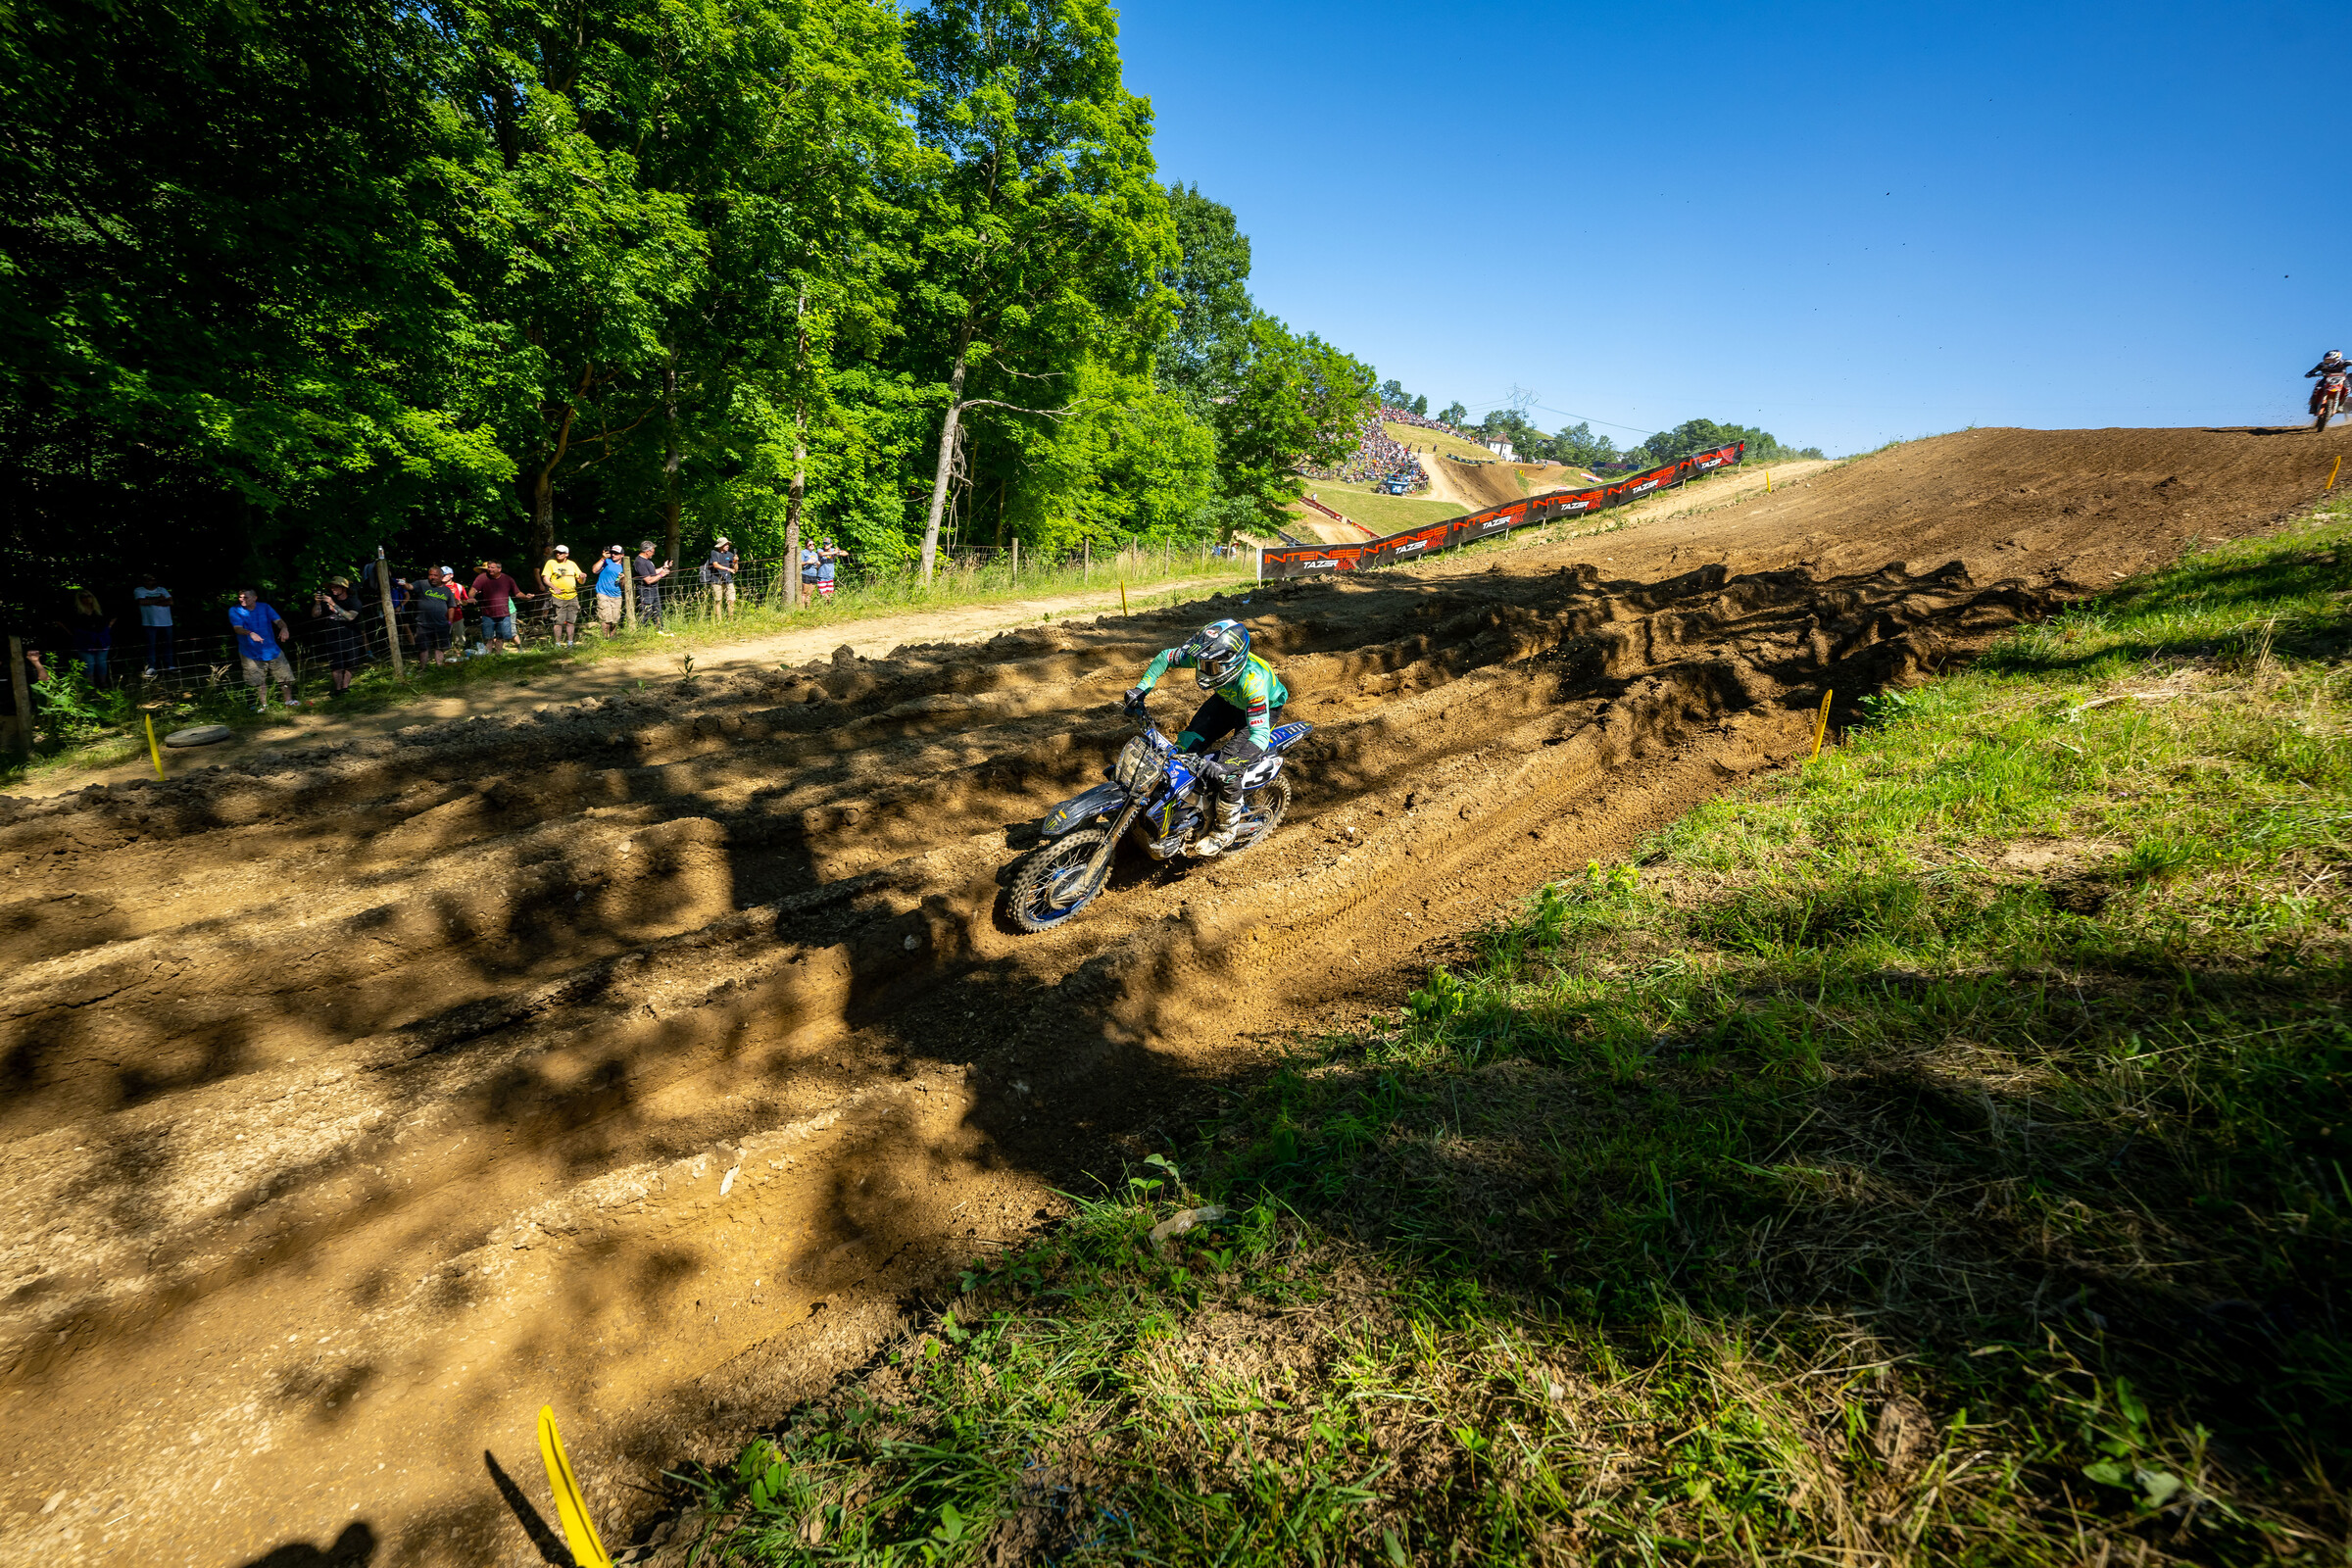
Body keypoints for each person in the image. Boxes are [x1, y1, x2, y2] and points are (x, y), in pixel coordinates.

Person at [1123, 618, 1289, 857]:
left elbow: (1260, 736)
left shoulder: (1254, 682)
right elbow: (1166, 657)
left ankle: (1225, 829)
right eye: (1200, 663)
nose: (1202, 670)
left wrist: (1230, 765)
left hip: (1259, 710)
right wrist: (1141, 689)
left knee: (1228, 770)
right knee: (1184, 746)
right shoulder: (1209, 657)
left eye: (1209, 667)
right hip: (1227, 697)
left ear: (1231, 663)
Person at [228, 586, 298, 710]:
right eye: (240, 597)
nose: (242, 599)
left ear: (255, 598)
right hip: (250, 652)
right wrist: (250, 633)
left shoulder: (264, 607)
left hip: (272, 649)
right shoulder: (235, 610)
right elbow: (237, 628)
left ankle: (289, 702)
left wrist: (284, 628)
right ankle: (263, 706)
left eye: (245, 597)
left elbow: (278, 621)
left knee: (284, 676)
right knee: (257, 681)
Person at [308, 577, 366, 698]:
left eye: (335, 587)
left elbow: (350, 617)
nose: (332, 589)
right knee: (336, 665)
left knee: (351, 663)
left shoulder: (353, 601)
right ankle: (338, 690)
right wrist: (318, 603)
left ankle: (345, 687)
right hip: (333, 637)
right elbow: (315, 614)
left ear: (344, 588)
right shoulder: (326, 601)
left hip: (351, 636)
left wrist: (333, 604)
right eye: (331, 587)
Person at [470, 559, 528, 654]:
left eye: (492, 568)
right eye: (488, 568)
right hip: (488, 614)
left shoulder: (507, 579)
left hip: (504, 613)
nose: (489, 570)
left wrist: (526, 597)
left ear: (499, 569)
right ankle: (487, 656)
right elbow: (473, 590)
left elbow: (517, 593)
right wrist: (471, 597)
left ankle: (499, 655)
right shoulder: (481, 579)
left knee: (502, 636)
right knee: (488, 637)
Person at [61, 589, 115, 687]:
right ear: (79, 599)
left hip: (102, 640)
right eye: (83, 597)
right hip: (84, 642)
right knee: (88, 664)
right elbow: (63, 623)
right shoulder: (75, 611)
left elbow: (113, 616)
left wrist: (108, 628)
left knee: (101, 663)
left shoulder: (100, 610)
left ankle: (104, 684)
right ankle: (90, 686)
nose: (87, 598)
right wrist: (74, 635)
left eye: (89, 596)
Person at [412, 567, 460, 665]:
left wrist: (449, 621)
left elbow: (451, 606)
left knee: (440, 647)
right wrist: (403, 583)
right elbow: (410, 587)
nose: (432, 577)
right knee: (423, 647)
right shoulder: (422, 584)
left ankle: (439, 669)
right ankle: (423, 669)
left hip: (441, 623)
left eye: (435, 575)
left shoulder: (447, 590)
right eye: (430, 575)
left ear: (441, 577)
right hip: (423, 623)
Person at [540, 544, 585, 649]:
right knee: (558, 621)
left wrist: (583, 577)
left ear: (567, 554)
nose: (558, 554)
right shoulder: (551, 563)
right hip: (557, 597)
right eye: (557, 552)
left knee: (571, 621)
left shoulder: (572, 564)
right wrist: (554, 588)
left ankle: (570, 643)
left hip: (572, 596)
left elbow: (581, 581)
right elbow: (545, 578)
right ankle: (558, 644)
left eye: (561, 552)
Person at [131, 573, 174, 675]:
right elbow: (142, 602)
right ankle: (151, 667)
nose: (151, 581)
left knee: (168, 644)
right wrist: (160, 599)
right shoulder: (139, 590)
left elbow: (170, 601)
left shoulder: (162, 589)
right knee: (151, 645)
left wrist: (151, 601)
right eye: (149, 580)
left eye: (153, 579)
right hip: (149, 623)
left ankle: (170, 665)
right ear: (144, 581)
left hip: (166, 622)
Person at [632, 540, 671, 632]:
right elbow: (648, 580)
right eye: (652, 552)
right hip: (646, 591)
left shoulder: (647, 561)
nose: (653, 554)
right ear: (647, 551)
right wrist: (662, 575)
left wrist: (664, 567)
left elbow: (653, 573)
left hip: (654, 590)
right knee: (646, 612)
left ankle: (659, 630)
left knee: (657, 610)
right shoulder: (640, 562)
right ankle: (641, 632)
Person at [592, 545, 627, 636]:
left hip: (617, 595)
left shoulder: (624, 567)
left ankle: (612, 638)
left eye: (616, 553)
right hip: (603, 593)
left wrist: (623, 579)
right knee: (605, 618)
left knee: (615, 619)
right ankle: (605, 638)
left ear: (622, 555)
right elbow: (594, 570)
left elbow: (623, 586)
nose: (613, 555)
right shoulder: (606, 561)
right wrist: (603, 558)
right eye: (612, 553)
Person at [700, 536, 739, 615]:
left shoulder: (730, 554)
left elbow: (735, 570)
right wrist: (728, 569)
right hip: (716, 580)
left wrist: (736, 562)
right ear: (720, 546)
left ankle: (731, 619)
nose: (728, 546)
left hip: (728, 580)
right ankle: (719, 621)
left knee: (731, 600)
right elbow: (716, 565)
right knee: (718, 600)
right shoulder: (714, 553)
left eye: (728, 544)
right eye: (725, 544)